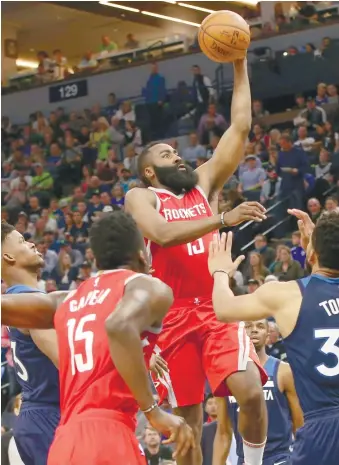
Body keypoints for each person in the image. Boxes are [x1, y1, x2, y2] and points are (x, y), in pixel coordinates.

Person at [126, 58, 268, 465]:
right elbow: (163, 234)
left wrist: (240, 64)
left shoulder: (203, 185)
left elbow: (239, 128)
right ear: (150, 171)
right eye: (168, 154)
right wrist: (222, 219)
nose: (180, 156)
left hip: (215, 306)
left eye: (178, 150)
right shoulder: (142, 197)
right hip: (171, 318)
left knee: (251, 392)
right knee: (187, 424)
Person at [47, 211, 194, 465]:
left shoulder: (67, 299)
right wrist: (153, 411)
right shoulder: (146, 286)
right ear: (141, 253)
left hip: (65, 440)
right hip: (110, 435)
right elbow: (119, 325)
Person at [207, 210, 339, 465]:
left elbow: (223, 309)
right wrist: (317, 246)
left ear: (311, 254)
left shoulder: (287, 295)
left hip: (322, 428)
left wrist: (221, 273)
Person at [1, 222, 65, 465]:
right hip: (48, 416)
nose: (31, 243)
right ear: (7, 256)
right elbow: (68, 361)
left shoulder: (19, 300)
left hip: (37, 415)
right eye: (22, 241)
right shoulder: (28, 300)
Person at [213, 319, 303, 465]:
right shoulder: (226, 375)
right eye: (248, 326)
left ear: (268, 333)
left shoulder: (284, 371)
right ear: (238, 332)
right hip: (245, 459)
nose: (254, 330)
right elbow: (223, 432)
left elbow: (299, 426)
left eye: (260, 326)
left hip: (280, 458)